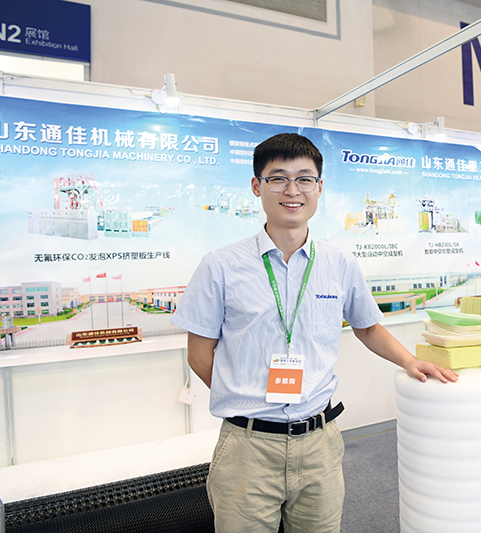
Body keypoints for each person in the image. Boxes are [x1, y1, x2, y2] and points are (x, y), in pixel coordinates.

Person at [170, 132, 458, 533]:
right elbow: (199, 355)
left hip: (319, 442)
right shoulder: (220, 266)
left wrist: (410, 361)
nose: (293, 190)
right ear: (257, 186)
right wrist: (246, 394)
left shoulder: (339, 264)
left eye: (304, 179)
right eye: (278, 178)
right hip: (248, 447)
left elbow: (367, 327)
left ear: (319, 187)